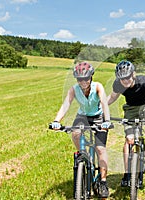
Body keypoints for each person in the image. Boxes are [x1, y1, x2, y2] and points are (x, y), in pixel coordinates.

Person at [50, 61, 112, 198]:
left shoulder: (98, 87)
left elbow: (104, 103)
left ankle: (102, 181)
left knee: (100, 148)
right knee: (75, 133)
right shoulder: (73, 89)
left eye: (86, 78)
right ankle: (84, 155)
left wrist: (106, 121)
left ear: (91, 77)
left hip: (98, 117)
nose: (83, 81)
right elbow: (66, 104)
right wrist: (56, 121)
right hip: (82, 116)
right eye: (79, 79)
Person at [107, 60, 145, 187]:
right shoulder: (118, 84)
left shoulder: (144, 82)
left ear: (133, 74)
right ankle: (127, 174)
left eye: (128, 77)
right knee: (128, 140)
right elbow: (111, 98)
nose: (125, 80)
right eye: (122, 78)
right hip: (131, 109)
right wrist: (100, 109)